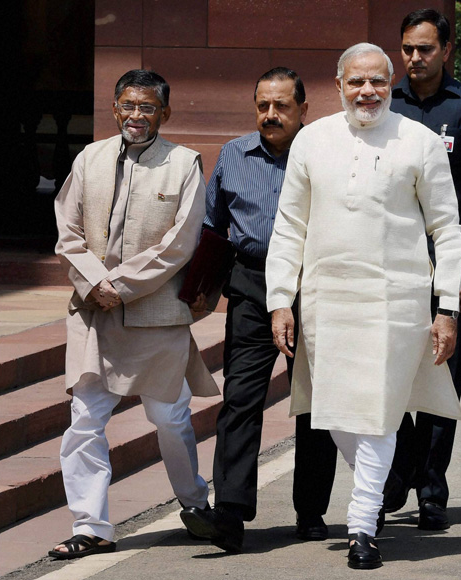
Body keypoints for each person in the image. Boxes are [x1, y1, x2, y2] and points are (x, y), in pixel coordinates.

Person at [265, 43, 461, 570]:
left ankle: (361, 527)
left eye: (377, 81)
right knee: (333, 411)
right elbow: (289, 226)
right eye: (356, 82)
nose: (367, 92)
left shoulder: (419, 141)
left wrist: (447, 308)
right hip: (325, 300)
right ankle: (388, 481)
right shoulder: (312, 140)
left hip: (394, 301)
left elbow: (446, 229)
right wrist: (280, 298)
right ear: (338, 85)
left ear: (391, 83)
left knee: (377, 414)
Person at [49, 69, 220, 560]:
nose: (136, 116)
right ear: (115, 108)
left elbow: (180, 243)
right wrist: (95, 283)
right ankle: (92, 525)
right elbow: (68, 231)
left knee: (169, 417)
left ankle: (194, 504)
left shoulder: (184, 163)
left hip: (156, 316)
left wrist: (120, 287)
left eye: (147, 108)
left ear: (164, 113)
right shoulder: (90, 157)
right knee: (84, 420)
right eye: (128, 106)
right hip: (92, 315)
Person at [179, 68, 338, 552]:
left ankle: (311, 511)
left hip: (314, 287)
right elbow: (211, 225)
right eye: (263, 106)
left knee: (312, 403)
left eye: (281, 106)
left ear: (303, 110)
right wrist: (202, 286)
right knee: (241, 399)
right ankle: (229, 512)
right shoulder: (233, 154)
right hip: (251, 284)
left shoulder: (327, 152)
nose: (271, 115)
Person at [383, 8, 461, 531]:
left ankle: (432, 491)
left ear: (447, 51)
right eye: (407, 48)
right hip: (389, 265)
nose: (414, 58)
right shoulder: (385, 101)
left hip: (446, 264)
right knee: (389, 374)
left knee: (441, 379)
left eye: (425, 49)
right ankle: (396, 472)